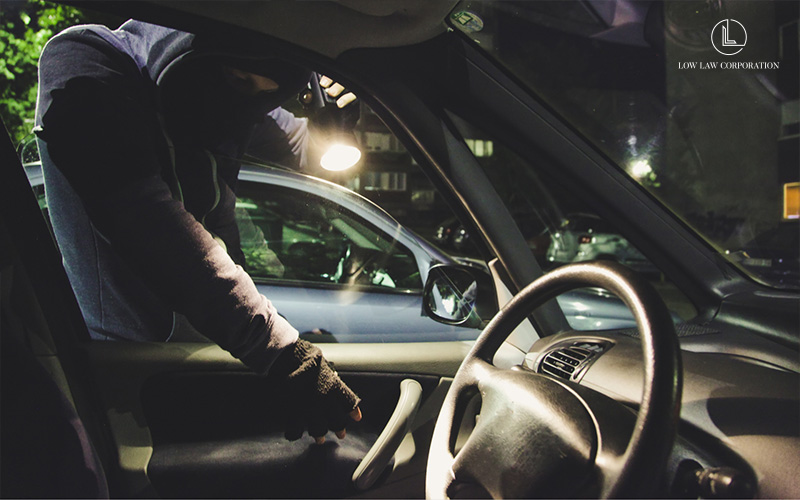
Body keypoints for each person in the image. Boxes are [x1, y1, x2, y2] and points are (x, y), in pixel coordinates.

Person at [34, 19, 361, 444]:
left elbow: (311, 157)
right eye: (238, 78)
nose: (247, 101)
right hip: (129, 371)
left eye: (267, 93)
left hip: (210, 349)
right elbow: (146, 221)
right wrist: (283, 353)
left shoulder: (242, 108)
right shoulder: (86, 60)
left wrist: (331, 123)